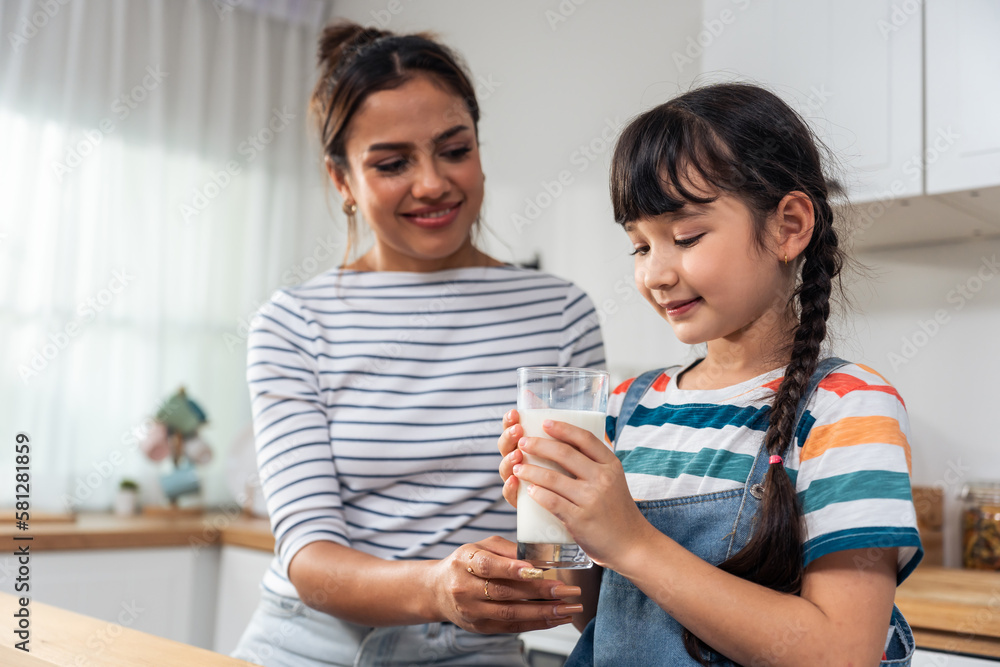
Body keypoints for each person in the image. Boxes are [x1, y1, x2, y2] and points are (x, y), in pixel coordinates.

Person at [498, 83, 922, 666]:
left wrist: (633, 541)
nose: (656, 274)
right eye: (640, 247)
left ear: (788, 226)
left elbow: (841, 652)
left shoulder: (848, 408)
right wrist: (556, 523)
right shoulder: (628, 405)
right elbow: (610, 619)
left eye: (686, 237)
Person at [231, 21, 605, 667]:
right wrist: (437, 586)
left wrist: (578, 560)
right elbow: (308, 556)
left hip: (476, 649)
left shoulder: (559, 313)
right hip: (309, 643)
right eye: (392, 162)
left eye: (453, 149)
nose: (431, 183)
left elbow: (567, 550)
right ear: (342, 180)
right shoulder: (294, 322)